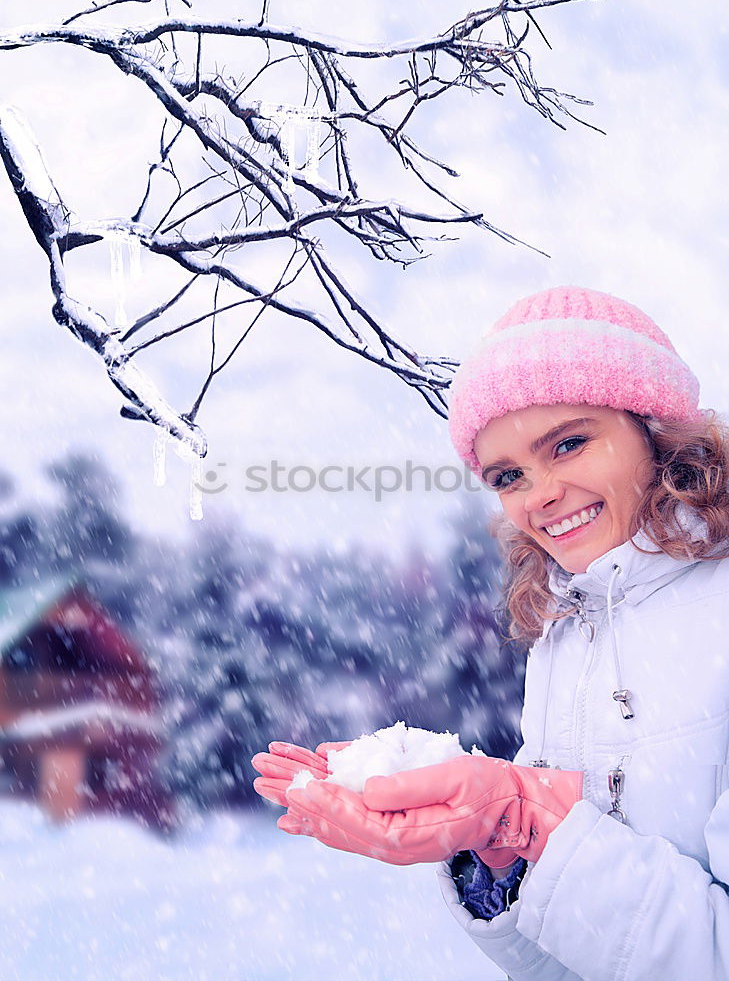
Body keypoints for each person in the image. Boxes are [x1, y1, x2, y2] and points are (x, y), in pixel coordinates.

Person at [251, 285, 729, 981]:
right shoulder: (565, 636)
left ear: (656, 429)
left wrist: (528, 817)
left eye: (568, 443)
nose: (537, 495)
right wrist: (496, 853)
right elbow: (566, 964)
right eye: (508, 475)